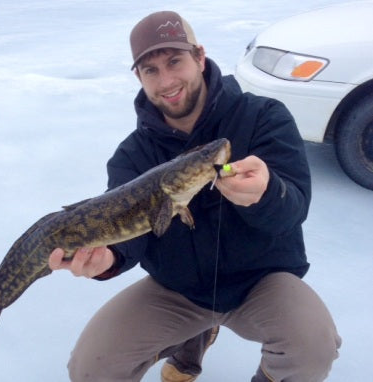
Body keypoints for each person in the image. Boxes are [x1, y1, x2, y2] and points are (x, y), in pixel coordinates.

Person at [48, 10, 341, 382]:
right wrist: (107, 258)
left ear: (199, 57)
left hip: (261, 282)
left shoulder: (264, 117)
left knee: (313, 345)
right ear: (138, 77)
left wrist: (267, 193)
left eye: (174, 61)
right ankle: (195, 334)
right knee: (91, 368)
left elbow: (293, 209)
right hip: (177, 290)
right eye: (150, 70)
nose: (166, 80)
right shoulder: (132, 156)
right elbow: (131, 235)